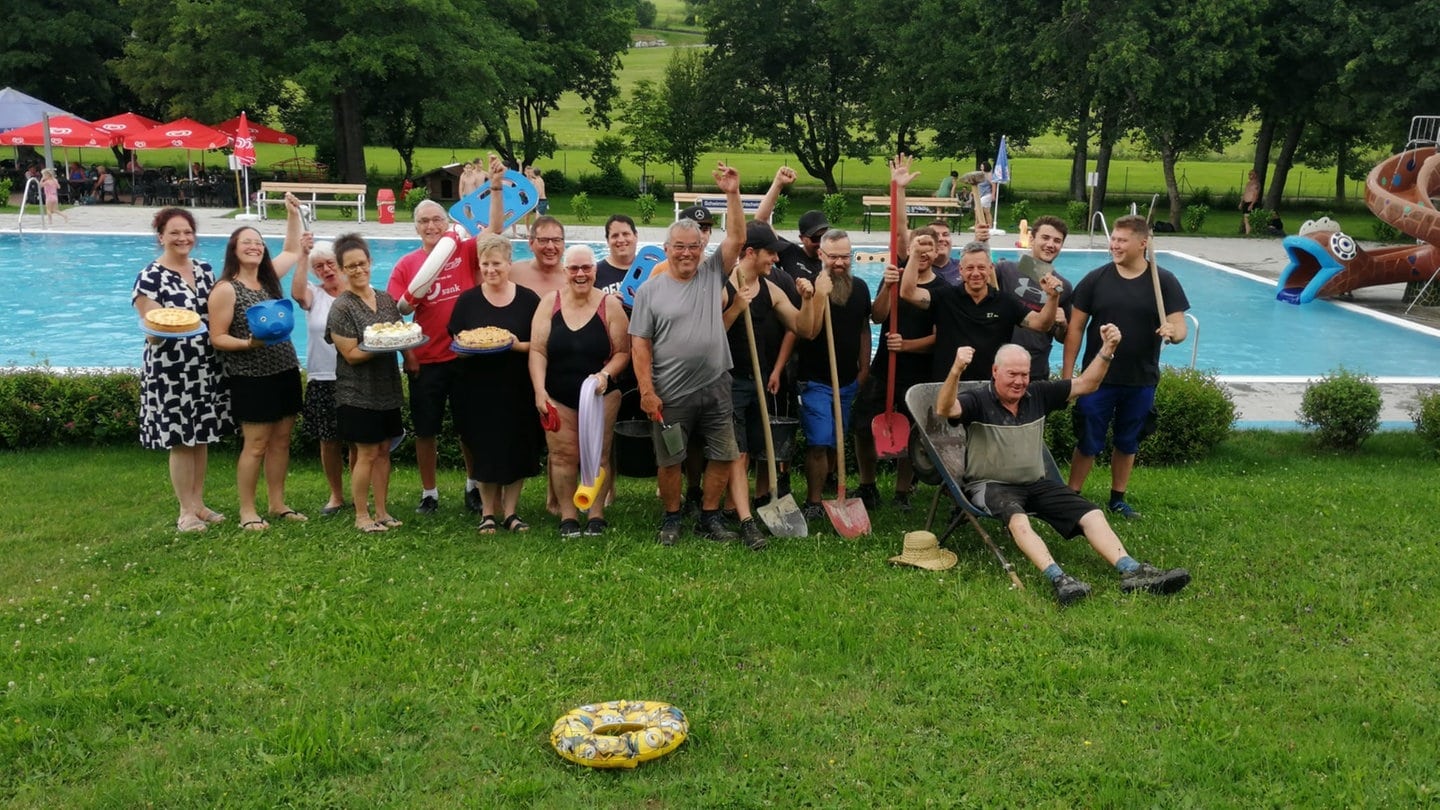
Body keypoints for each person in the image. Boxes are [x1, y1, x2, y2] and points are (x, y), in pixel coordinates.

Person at [936, 337, 1191, 606]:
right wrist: (956, 370)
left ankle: (1132, 570)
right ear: (995, 372)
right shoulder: (977, 400)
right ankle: (1060, 579)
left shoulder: (1038, 394)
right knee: (1019, 521)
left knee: (1092, 513)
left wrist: (1106, 351)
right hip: (990, 485)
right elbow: (944, 408)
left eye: (1024, 374)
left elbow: (1087, 384)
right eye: (1012, 374)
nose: (1019, 381)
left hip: (1036, 483)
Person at [631, 162, 781, 549]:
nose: (686, 253)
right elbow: (640, 345)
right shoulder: (650, 291)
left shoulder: (713, 272)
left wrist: (732, 192)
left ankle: (710, 516)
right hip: (669, 391)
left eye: (693, 246)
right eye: (678, 247)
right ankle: (672, 516)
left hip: (716, 385)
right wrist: (646, 390)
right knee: (670, 460)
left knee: (722, 453)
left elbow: (736, 235)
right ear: (666, 250)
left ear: (702, 249)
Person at [1062, 214, 1189, 519]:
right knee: (1088, 440)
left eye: (1121, 240)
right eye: (1114, 239)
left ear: (1143, 243)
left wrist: (1174, 332)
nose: (1114, 245)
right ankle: (1071, 496)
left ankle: (1117, 498)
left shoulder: (1164, 281)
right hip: (1096, 380)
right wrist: (1068, 378)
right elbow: (1075, 329)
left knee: (1128, 440)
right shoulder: (1096, 279)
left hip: (1141, 378)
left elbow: (1180, 326)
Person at [206, 197, 308, 531]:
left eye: (259, 243)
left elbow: (292, 250)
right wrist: (249, 343)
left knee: (281, 440)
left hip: (284, 369)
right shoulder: (226, 289)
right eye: (246, 242)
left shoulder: (268, 281)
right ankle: (248, 511)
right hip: (251, 376)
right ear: (233, 249)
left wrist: (293, 214)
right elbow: (217, 337)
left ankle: (278, 504)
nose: (254, 247)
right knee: (257, 445)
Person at [131, 207, 232, 533]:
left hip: (205, 366)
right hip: (170, 369)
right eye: (174, 232)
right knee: (180, 439)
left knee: (200, 436)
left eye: (187, 232)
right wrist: (167, 327)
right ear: (161, 236)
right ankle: (185, 511)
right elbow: (150, 327)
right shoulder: (150, 276)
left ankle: (199, 504)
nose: (182, 238)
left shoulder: (204, 270)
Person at [721, 220, 824, 527]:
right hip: (728, 381)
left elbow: (804, 328)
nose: (777, 259)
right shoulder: (724, 286)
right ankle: (738, 514)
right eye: (771, 253)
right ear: (750, 252)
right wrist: (737, 307)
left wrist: (808, 301)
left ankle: (735, 508)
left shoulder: (771, 288)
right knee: (736, 452)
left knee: (753, 450)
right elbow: (709, 335)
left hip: (759, 379)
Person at [386, 195, 483, 515]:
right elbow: (394, 313)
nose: (431, 226)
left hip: (465, 357)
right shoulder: (407, 266)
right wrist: (409, 354)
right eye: (424, 221)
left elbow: (494, 231)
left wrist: (495, 191)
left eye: (437, 219)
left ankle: (475, 487)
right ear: (416, 228)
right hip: (426, 361)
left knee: (469, 428)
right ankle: (430, 493)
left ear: (447, 223)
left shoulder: (465, 251)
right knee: (426, 431)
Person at [529, 244, 631, 537]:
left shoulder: (609, 305)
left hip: (601, 394)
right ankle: (568, 515)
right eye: (574, 268)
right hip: (557, 394)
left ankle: (596, 514)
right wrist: (539, 390)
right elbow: (537, 350)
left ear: (595, 270)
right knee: (562, 456)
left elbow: (623, 352)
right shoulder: (550, 303)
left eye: (586, 268)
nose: (580, 274)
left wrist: (604, 375)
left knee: (598, 455)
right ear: (565, 271)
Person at [449, 233, 544, 533]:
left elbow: (541, 345)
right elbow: (457, 339)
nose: (491, 270)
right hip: (478, 388)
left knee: (518, 447)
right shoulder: (467, 300)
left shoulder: (529, 299)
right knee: (485, 449)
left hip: (518, 386)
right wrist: (470, 348)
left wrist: (515, 345)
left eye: (497, 264)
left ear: (509, 263)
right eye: (485, 264)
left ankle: (511, 512)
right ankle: (487, 512)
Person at [853, 226, 941, 510]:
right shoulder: (894, 276)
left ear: (936, 251)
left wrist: (907, 346)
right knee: (863, 427)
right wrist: (889, 287)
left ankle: (903, 492)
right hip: (884, 369)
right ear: (910, 249)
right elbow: (877, 317)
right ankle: (868, 485)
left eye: (928, 247)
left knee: (913, 431)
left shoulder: (942, 290)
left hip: (919, 374)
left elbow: (941, 338)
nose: (923, 252)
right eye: (918, 246)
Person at [325, 233, 409, 533]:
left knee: (384, 450)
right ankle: (362, 515)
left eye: (362, 263)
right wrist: (383, 342)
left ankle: (382, 511)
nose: (358, 270)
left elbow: (402, 334)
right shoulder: (341, 307)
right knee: (366, 453)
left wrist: (409, 355)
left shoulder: (385, 299)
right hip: (357, 392)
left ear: (370, 263)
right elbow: (351, 354)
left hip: (387, 388)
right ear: (341, 269)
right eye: (351, 266)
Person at [900, 239, 1059, 383]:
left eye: (981, 267)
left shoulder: (1005, 302)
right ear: (960, 270)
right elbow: (909, 293)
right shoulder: (945, 297)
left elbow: (1042, 324)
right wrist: (915, 254)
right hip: (947, 384)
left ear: (990, 269)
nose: (976, 273)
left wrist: (1053, 297)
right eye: (970, 268)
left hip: (989, 389)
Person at [795, 228, 870, 522]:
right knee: (819, 441)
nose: (840, 263)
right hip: (815, 380)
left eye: (845, 256)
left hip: (848, 381)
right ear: (821, 255)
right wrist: (816, 297)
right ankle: (813, 502)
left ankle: (835, 493)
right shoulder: (811, 287)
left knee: (836, 440)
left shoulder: (861, 288)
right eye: (834, 256)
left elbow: (865, 328)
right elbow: (808, 331)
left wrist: (863, 369)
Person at [290, 237, 348, 516]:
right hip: (323, 375)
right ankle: (336, 495)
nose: (326, 269)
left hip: (356, 374)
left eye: (330, 263)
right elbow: (297, 293)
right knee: (329, 440)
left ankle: (361, 492)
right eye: (319, 266)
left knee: (360, 438)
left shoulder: (361, 292)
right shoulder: (314, 294)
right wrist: (302, 255)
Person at [992, 215, 1074, 379]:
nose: (1050, 244)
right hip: (1000, 364)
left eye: (1057, 241)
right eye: (1045, 238)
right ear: (1031, 239)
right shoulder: (1005, 270)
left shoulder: (1063, 286)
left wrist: (1063, 324)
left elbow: (1063, 338)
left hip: (1035, 369)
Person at [594, 214, 638, 296]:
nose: (621, 240)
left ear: (636, 236)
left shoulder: (651, 269)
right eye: (615, 236)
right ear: (607, 240)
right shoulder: (595, 273)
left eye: (625, 234)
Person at [1240, 170, 1261, 235]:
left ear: (1255, 175)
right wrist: (1241, 202)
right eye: (1249, 174)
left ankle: (1249, 233)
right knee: (1246, 219)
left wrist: (1252, 204)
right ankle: (1248, 233)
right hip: (1246, 203)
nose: (1249, 176)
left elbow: (1256, 195)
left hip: (1251, 203)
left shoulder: (1256, 184)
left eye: (1251, 174)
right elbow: (1245, 193)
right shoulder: (1248, 183)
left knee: (1248, 219)